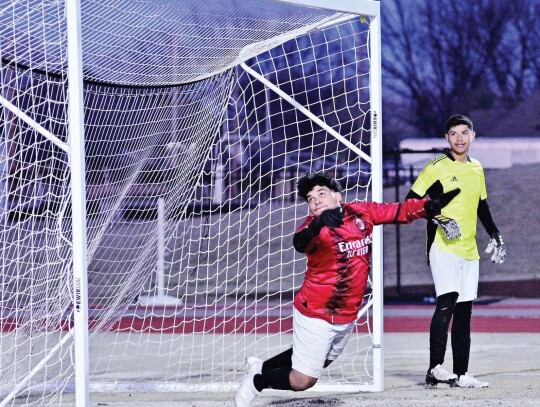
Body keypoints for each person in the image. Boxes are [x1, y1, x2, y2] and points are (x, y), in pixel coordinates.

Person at [235, 171, 461, 407]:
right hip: (316, 312)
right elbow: (300, 243)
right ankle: (255, 383)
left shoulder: (361, 212)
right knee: (303, 380)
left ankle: (260, 367)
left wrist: (427, 206)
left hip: (347, 313)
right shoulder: (312, 226)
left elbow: (399, 211)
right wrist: (318, 224)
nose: (316, 200)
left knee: (318, 361)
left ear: (338, 196)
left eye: (321, 194)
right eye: (310, 199)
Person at [405, 114, 506, 388]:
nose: (459, 138)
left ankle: (461, 374)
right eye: (453, 133)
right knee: (447, 300)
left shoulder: (477, 168)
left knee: (464, 310)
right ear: (446, 138)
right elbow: (410, 203)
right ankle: (434, 368)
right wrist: (438, 218)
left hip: (469, 250)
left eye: (464, 132)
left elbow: (481, 206)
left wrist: (494, 233)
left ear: (473, 136)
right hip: (442, 246)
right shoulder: (436, 166)